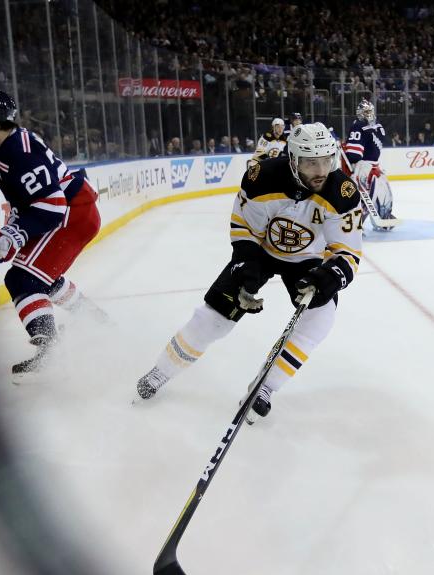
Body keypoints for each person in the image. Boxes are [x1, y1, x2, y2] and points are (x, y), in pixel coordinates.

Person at [135, 123, 363, 421]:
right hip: (260, 252)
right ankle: (161, 371)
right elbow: (243, 226)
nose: (321, 170)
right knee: (214, 316)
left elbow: (347, 251)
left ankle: (264, 387)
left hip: (307, 260)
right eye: (311, 162)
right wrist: (245, 263)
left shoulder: (342, 192)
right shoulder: (262, 177)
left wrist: (329, 277)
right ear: (294, 160)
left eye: (326, 160)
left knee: (321, 318)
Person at [0, 89, 106, 377]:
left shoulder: (17, 151)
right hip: (75, 211)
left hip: (73, 214)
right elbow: (26, 204)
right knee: (43, 275)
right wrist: (7, 235)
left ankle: (51, 351)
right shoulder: (10, 148)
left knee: (23, 278)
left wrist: (13, 237)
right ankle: (95, 319)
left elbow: (52, 206)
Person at [341, 99, 396, 229]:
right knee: (365, 197)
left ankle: (384, 218)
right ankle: (355, 224)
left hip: (375, 167)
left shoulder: (377, 126)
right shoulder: (358, 126)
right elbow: (354, 155)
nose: (369, 114)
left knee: (385, 194)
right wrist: (357, 169)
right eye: (366, 112)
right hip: (363, 166)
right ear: (360, 113)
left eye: (370, 111)